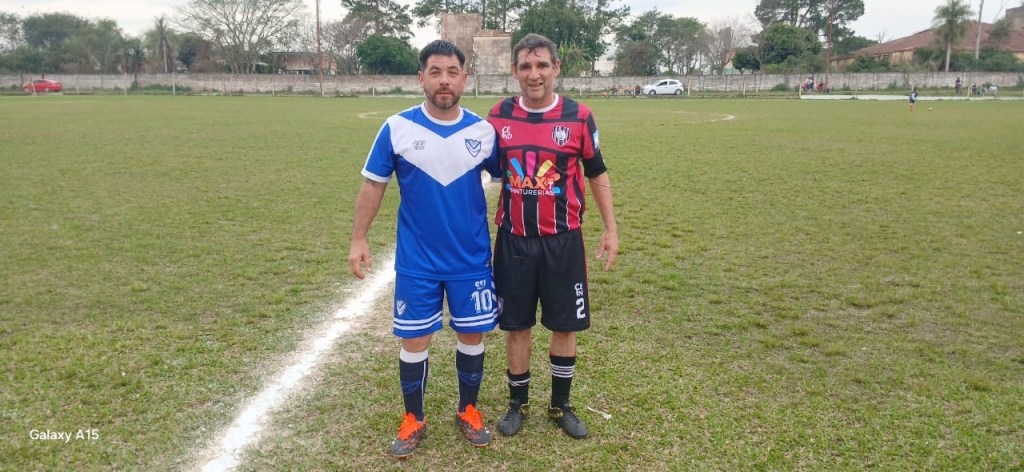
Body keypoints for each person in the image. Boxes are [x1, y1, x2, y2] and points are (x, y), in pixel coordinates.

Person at [347, 39, 500, 459]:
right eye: (435, 72)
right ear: (421, 78)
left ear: (465, 78)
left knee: (472, 334)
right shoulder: (397, 128)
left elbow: (509, 185)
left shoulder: (483, 132)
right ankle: (414, 417)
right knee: (415, 340)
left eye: (452, 72)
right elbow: (373, 185)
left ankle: (468, 409)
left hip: (470, 259)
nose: (444, 80)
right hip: (418, 261)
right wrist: (358, 238)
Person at [486, 33, 619, 440]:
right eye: (526, 66)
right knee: (517, 326)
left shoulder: (579, 116)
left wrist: (611, 229)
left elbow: (597, 173)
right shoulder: (498, 116)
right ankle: (517, 404)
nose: (534, 74)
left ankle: (561, 405)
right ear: (514, 70)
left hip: (563, 241)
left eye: (542, 65)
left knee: (565, 326)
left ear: (556, 68)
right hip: (514, 240)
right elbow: (481, 173)